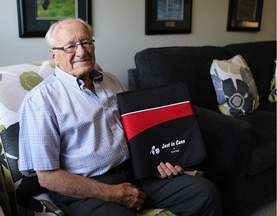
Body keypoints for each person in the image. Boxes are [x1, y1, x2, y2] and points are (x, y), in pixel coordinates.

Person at [18, 18, 222, 216]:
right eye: (70, 46)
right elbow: (47, 177)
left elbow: (136, 134)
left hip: (136, 173)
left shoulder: (112, 81)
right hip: (88, 189)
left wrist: (157, 164)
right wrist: (112, 193)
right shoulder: (40, 100)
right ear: (54, 55)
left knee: (205, 193)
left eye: (86, 42)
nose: (81, 51)